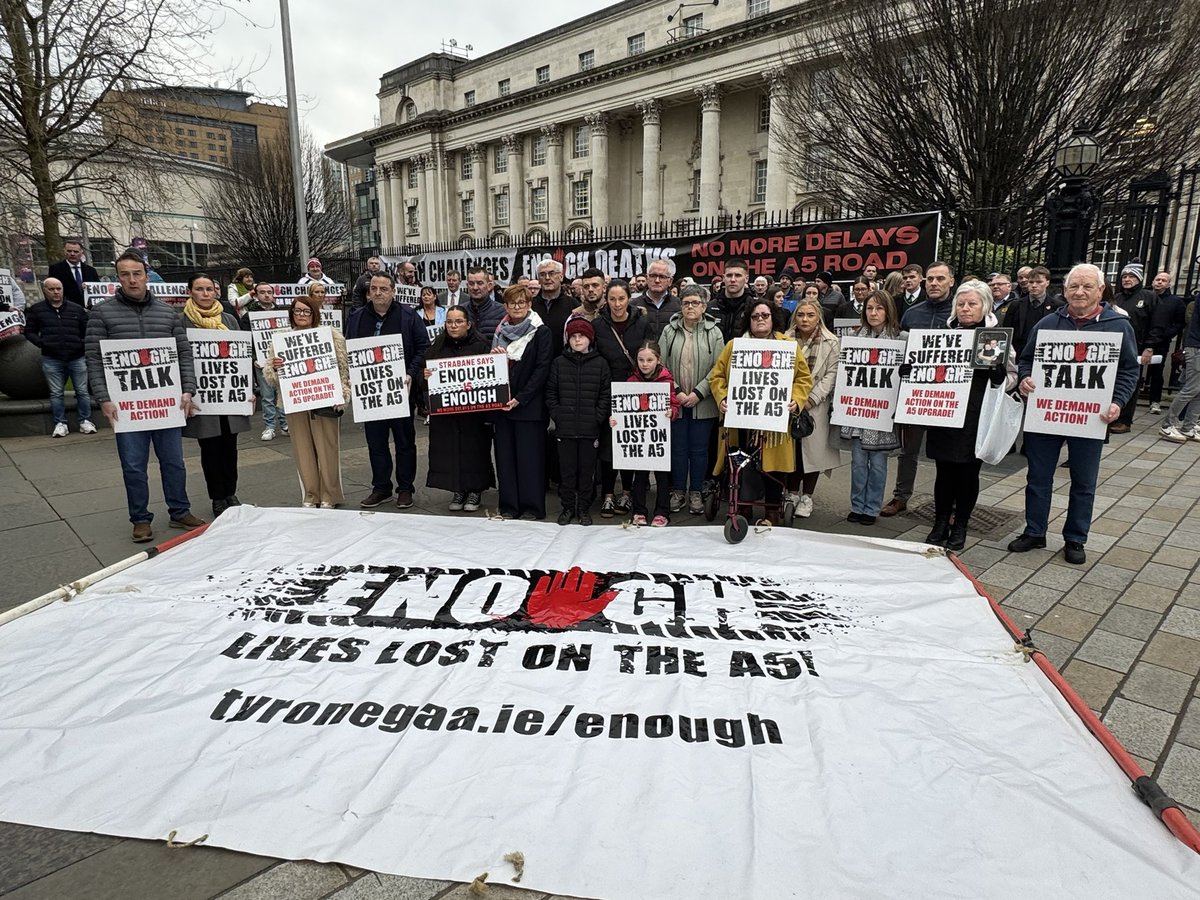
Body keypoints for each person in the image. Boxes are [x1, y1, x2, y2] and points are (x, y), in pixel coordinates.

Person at [1008, 264, 1139, 565]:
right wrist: (1026, 379)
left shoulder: (1118, 326)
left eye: (1087, 286)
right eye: (1073, 286)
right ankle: (1035, 531)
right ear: (1064, 290)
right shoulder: (1048, 323)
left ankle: (1075, 538)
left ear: (1101, 290)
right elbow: (1027, 360)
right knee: (1038, 477)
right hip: (1046, 415)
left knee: (1083, 481)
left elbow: (1129, 370)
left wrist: (1118, 402)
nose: (1079, 292)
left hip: (1091, 417)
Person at [84, 249, 204, 542]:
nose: (132, 280)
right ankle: (140, 518)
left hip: (166, 403)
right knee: (134, 466)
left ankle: (180, 511)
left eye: (137, 274)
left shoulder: (167, 312)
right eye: (125, 274)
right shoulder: (102, 313)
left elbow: (184, 354)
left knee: (174, 462)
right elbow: (94, 358)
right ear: (118, 277)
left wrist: (188, 390)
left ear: (146, 275)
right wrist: (103, 398)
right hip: (126, 406)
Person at [915, 281, 1015, 551]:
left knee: (968, 473)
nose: (965, 309)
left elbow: (1012, 376)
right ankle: (939, 522)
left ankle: (961, 523)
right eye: (961, 304)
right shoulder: (943, 335)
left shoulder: (995, 337)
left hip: (976, 416)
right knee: (944, 472)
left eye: (972, 304)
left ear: (985, 306)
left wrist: (999, 377)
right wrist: (912, 372)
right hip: (945, 413)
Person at [709, 298, 813, 523]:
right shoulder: (734, 346)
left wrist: (796, 400)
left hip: (774, 420)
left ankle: (772, 511)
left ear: (773, 318)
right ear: (749, 320)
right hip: (742, 420)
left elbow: (803, 379)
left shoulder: (788, 346)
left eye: (765, 315)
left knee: (773, 466)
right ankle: (743, 507)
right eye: (755, 316)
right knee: (742, 461)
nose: (760, 320)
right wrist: (722, 398)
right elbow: (716, 377)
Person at [347, 272, 429, 510]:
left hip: (400, 392)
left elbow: (423, 348)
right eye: (373, 288)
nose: (378, 293)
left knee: (404, 442)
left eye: (383, 289)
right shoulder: (357, 317)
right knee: (376, 443)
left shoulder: (408, 316)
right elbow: (349, 349)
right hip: (371, 394)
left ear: (393, 291)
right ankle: (381, 488)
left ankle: (405, 488)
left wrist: (410, 373)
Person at [265, 289, 351, 508]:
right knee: (303, 451)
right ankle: (311, 495)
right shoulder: (281, 340)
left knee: (327, 449)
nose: (301, 315)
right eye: (297, 311)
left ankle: (329, 495)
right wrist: (275, 367)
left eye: (306, 311)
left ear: (315, 313)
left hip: (325, 400)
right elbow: (270, 377)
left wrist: (342, 395)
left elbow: (343, 369)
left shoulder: (331, 336)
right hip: (296, 401)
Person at [883, 260, 956, 517]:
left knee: (948, 454)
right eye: (931, 279)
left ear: (951, 282)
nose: (934, 283)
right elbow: (901, 350)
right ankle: (901, 496)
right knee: (908, 451)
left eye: (940, 279)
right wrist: (902, 367)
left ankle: (949, 503)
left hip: (947, 395)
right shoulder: (912, 314)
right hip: (914, 394)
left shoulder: (959, 314)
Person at [180, 274, 251, 517]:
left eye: (209, 289)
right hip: (203, 396)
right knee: (210, 449)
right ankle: (217, 497)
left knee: (230, 448)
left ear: (215, 291)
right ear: (190, 292)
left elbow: (242, 356)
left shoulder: (228, 319)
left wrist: (248, 389)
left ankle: (231, 492)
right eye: (199, 289)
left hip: (230, 395)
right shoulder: (182, 321)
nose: (205, 293)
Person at [660, 284, 725, 514]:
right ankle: (678, 490)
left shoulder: (714, 332)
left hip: (703, 402)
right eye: (686, 303)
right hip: (675, 400)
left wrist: (699, 392)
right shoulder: (669, 331)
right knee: (678, 449)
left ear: (704, 306)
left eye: (695, 303)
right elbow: (661, 365)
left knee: (699, 450)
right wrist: (676, 391)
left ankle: (696, 491)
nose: (690, 307)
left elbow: (719, 367)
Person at [423, 305, 495, 511]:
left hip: (474, 415)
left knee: (474, 450)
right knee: (451, 452)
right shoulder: (437, 346)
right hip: (447, 414)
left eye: (458, 322)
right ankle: (458, 489)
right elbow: (424, 374)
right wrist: (424, 375)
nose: (453, 326)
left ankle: (475, 491)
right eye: (449, 322)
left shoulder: (481, 345)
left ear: (468, 324)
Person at [843, 290, 905, 524]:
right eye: (869, 308)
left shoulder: (901, 339)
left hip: (884, 413)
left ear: (888, 311)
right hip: (859, 411)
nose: (873, 313)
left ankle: (871, 508)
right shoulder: (854, 337)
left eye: (879, 308)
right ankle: (857, 505)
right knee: (858, 464)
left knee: (878, 465)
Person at [492, 284, 552, 519]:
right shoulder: (500, 331)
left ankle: (532, 507)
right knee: (505, 459)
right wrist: (495, 360)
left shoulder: (540, 331)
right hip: (503, 405)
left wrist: (520, 398)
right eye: (512, 303)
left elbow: (542, 369)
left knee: (530, 460)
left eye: (521, 302)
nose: (517, 307)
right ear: (505, 306)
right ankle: (509, 506)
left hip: (529, 406)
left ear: (529, 304)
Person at [593, 278, 651, 517]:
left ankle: (627, 492)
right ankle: (608, 493)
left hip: (634, 391)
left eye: (621, 299)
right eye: (612, 299)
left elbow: (650, 354)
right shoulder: (598, 325)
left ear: (629, 299)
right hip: (607, 392)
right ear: (606, 300)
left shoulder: (642, 323)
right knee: (608, 446)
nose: (617, 304)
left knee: (629, 443)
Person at [547, 317, 611, 526]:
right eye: (573, 336)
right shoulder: (559, 363)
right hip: (565, 428)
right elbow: (551, 392)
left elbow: (605, 394)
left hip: (589, 429)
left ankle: (583, 508)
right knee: (567, 472)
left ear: (589, 338)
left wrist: (597, 417)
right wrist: (558, 414)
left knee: (586, 472)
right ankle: (567, 507)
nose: (577, 340)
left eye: (581, 336)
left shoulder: (600, 364)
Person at [614, 340, 680, 526]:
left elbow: (675, 404)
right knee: (640, 475)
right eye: (641, 360)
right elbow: (623, 410)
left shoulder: (667, 380)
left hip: (659, 438)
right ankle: (639, 511)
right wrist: (615, 421)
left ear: (658, 360)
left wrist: (672, 412)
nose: (645, 364)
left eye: (649, 360)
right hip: (641, 439)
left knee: (662, 476)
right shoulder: (631, 381)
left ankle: (662, 512)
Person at [787, 297, 841, 519]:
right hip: (789, 403)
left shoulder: (832, 342)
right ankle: (791, 493)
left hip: (815, 404)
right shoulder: (784, 339)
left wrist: (811, 399)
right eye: (800, 315)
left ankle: (807, 497)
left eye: (810, 315)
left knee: (813, 454)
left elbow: (831, 375)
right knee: (791, 452)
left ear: (818, 317)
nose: (805, 319)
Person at [25, 277, 95, 436]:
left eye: (58, 288)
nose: (56, 292)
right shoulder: (37, 310)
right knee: (56, 393)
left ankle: (85, 420)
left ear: (63, 289)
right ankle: (60, 423)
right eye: (51, 289)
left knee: (82, 391)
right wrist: (42, 343)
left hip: (77, 356)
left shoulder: (76, 309)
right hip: (52, 357)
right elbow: (29, 331)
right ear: (44, 290)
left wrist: (80, 343)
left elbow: (88, 330)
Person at [1109, 262, 1161, 434]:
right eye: (1124, 276)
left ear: (1139, 279)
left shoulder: (1149, 297)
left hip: (1137, 347)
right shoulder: (1117, 298)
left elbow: (1156, 323)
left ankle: (1125, 420)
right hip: (1116, 346)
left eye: (1131, 276)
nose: (1127, 279)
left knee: (1130, 381)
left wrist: (1150, 346)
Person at [240, 282, 287, 441]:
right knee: (267, 396)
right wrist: (254, 358)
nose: (266, 295)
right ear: (256, 295)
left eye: (269, 292)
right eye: (262, 292)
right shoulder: (248, 316)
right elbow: (246, 340)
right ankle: (270, 426)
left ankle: (285, 423)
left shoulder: (283, 314)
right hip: (261, 363)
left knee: (283, 393)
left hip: (281, 361)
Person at [1159, 285, 1200, 442]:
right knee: (1191, 388)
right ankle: (1167, 425)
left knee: (1198, 391)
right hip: (1197, 348)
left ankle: (1189, 427)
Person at [1004, 265, 1062, 363]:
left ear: (1047, 283)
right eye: (1031, 282)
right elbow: (1007, 331)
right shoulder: (1016, 305)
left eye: (1039, 282)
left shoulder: (1058, 307)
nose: (1034, 285)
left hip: (1046, 356)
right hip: (1019, 356)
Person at [1147, 271, 1185, 415]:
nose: (1160, 282)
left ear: (1169, 284)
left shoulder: (1175, 302)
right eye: (1158, 279)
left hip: (1161, 342)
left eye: (1164, 280)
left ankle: (1155, 401)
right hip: (1141, 339)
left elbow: (1179, 323)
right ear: (1152, 282)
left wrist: (1167, 334)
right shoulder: (1145, 297)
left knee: (1157, 372)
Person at [531, 258, 573, 357]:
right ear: (538, 280)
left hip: (564, 361)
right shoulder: (530, 306)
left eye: (552, 273)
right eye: (542, 274)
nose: (547, 278)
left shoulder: (573, 305)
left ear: (561, 277)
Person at [633, 257, 682, 338]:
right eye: (653, 276)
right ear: (647, 278)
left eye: (662, 276)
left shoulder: (680, 306)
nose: (657, 280)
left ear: (670, 281)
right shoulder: (633, 305)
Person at [707, 259, 753, 341]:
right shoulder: (709, 307)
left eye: (738, 275)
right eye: (729, 275)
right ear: (723, 278)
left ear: (746, 279)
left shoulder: (753, 307)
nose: (733, 279)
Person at [47, 239, 98, 307]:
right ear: (64, 251)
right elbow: (52, 290)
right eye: (69, 251)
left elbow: (97, 291)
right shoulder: (55, 269)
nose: (72, 254)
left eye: (76, 251)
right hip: (67, 308)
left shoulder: (91, 271)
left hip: (90, 308)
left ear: (81, 252)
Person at [463, 265, 506, 339]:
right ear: (467, 285)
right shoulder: (460, 312)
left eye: (480, 283)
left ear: (489, 286)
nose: (475, 288)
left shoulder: (502, 312)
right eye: (471, 283)